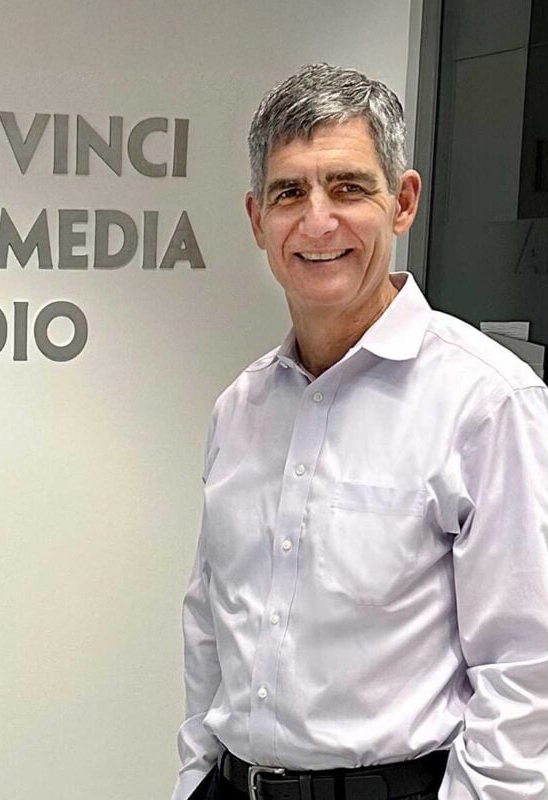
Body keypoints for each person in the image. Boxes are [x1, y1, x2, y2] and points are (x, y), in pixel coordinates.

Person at [173, 64, 548, 800]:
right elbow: (211, 627)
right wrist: (194, 780)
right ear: (257, 219)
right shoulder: (240, 409)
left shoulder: (486, 402)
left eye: (348, 187)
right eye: (289, 193)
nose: (317, 222)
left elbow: (528, 671)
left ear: (402, 202)